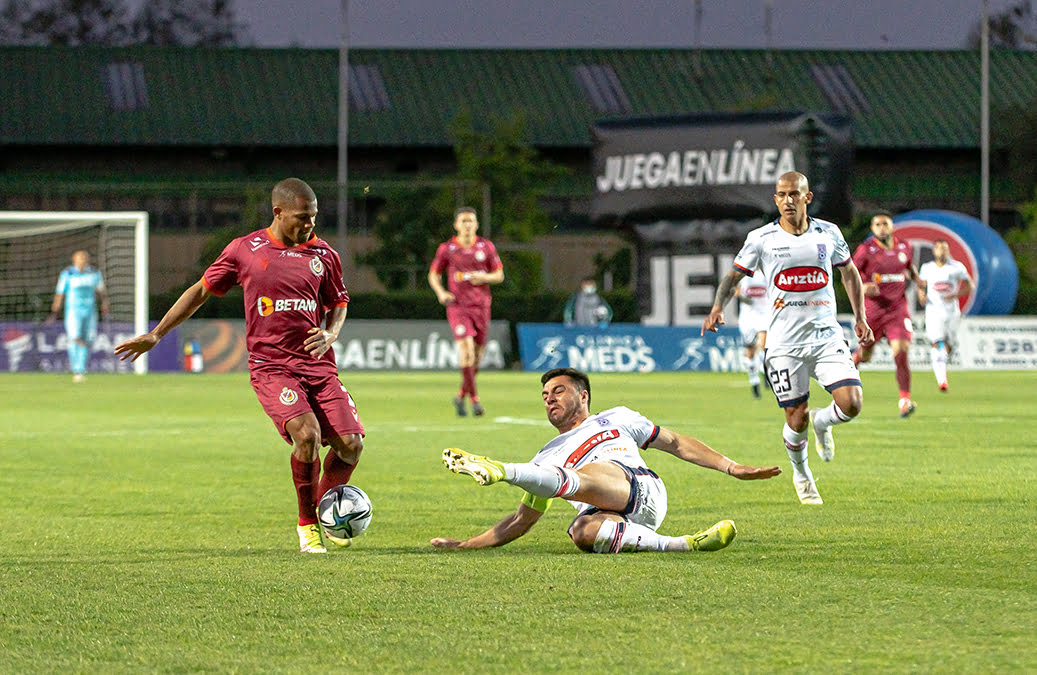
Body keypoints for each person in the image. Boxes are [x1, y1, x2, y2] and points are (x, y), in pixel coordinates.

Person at [114, 178, 365, 554]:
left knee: (351, 446)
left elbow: (339, 302)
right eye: (302, 217)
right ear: (278, 212)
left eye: (313, 216)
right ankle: (308, 524)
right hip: (272, 368)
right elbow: (200, 290)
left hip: (318, 366)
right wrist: (157, 333)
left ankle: (328, 510)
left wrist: (331, 333)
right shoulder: (245, 250)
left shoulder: (324, 254)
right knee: (307, 436)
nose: (310, 223)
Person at [431, 367, 781, 553]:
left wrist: (731, 466)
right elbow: (521, 521)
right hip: (608, 516)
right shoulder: (546, 457)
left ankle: (502, 470)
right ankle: (683, 544)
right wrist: (464, 545)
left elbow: (675, 443)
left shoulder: (617, 417)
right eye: (545, 395)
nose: (549, 399)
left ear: (583, 396)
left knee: (583, 474)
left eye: (558, 391)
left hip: (638, 487)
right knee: (581, 532)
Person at [701, 171, 874, 505]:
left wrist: (860, 317)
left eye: (794, 194)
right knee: (796, 418)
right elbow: (734, 276)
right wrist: (717, 307)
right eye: (781, 195)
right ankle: (802, 474)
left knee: (852, 403)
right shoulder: (761, 238)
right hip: (784, 344)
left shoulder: (829, 233)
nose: (787, 200)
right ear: (776, 199)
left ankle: (823, 421)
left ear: (807, 198)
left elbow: (850, 273)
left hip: (825, 338)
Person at [428, 207, 504, 418]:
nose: (467, 224)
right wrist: (441, 293)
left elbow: (499, 275)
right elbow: (433, 274)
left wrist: (483, 277)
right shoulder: (447, 248)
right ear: (456, 225)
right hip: (458, 306)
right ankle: (475, 401)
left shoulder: (486, 247)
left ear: (477, 224)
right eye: (463, 221)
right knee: (467, 350)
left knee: (477, 357)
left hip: (481, 306)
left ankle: (460, 395)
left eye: (471, 221)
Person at [851, 212, 921, 418]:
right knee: (865, 355)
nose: (881, 228)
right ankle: (851, 363)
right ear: (872, 229)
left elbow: (910, 267)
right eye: (877, 224)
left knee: (901, 352)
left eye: (885, 224)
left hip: (897, 310)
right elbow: (850, 275)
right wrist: (863, 287)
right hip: (873, 312)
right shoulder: (866, 250)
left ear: (892, 226)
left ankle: (904, 401)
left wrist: (920, 284)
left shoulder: (905, 247)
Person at [917, 239, 975, 392]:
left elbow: (970, 286)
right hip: (933, 311)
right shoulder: (927, 268)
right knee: (936, 342)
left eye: (944, 248)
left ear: (948, 251)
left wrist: (956, 295)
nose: (942, 251)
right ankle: (942, 380)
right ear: (934, 251)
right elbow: (921, 285)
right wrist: (921, 294)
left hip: (951, 312)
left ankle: (942, 366)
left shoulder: (957, 267)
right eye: (939, 248)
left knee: (948, 345)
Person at [48, 250, 109, 383]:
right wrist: (55, 308)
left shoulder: (94, 273)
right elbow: (60, 292)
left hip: (90, 310)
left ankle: (80, 368)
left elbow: (101, 291)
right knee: (75, 337)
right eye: (80, 258)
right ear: (74, 260)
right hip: (73, 311)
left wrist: (105, 304)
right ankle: (77, 368)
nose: (82, 260)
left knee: (89, 339)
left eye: (85, 258)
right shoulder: (67, 273)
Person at [735, 272, 769, 398]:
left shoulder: (767, 273)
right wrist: (742, 296)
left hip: (764, 314)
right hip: (747, 318)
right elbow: (736, 292)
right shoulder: (743, 276)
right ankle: (754, 381)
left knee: (764, 345)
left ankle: (765, 371)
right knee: (750, 351)